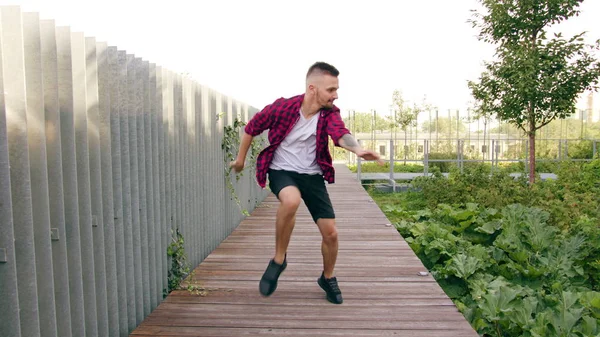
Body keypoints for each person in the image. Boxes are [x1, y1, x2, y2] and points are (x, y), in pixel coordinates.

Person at [229, 62, 382, 304]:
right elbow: (251, 128)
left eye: (336, 89)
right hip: (282, 170)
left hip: (312, 175)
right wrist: (240, 160)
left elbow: (340, 133)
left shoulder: (330, 113)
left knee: (331, 233)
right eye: (331, 89)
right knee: (291, 200)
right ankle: (279, 259)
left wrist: (358, 150)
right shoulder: (283, 107)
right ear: (313, 88)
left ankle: (327, 277)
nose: (336, 94)